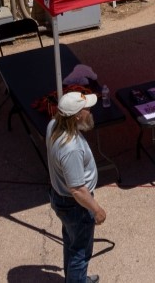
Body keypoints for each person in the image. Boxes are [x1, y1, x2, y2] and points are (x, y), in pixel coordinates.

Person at [47, 91, 107, 283]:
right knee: (80, 252)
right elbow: (77, 190)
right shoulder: (71, 148)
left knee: (72, 242)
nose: (90, 111)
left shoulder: (53, 125)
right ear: (77, 116)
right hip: (75, 206)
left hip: (61, 199)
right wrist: (97, 209)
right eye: (87, 109)